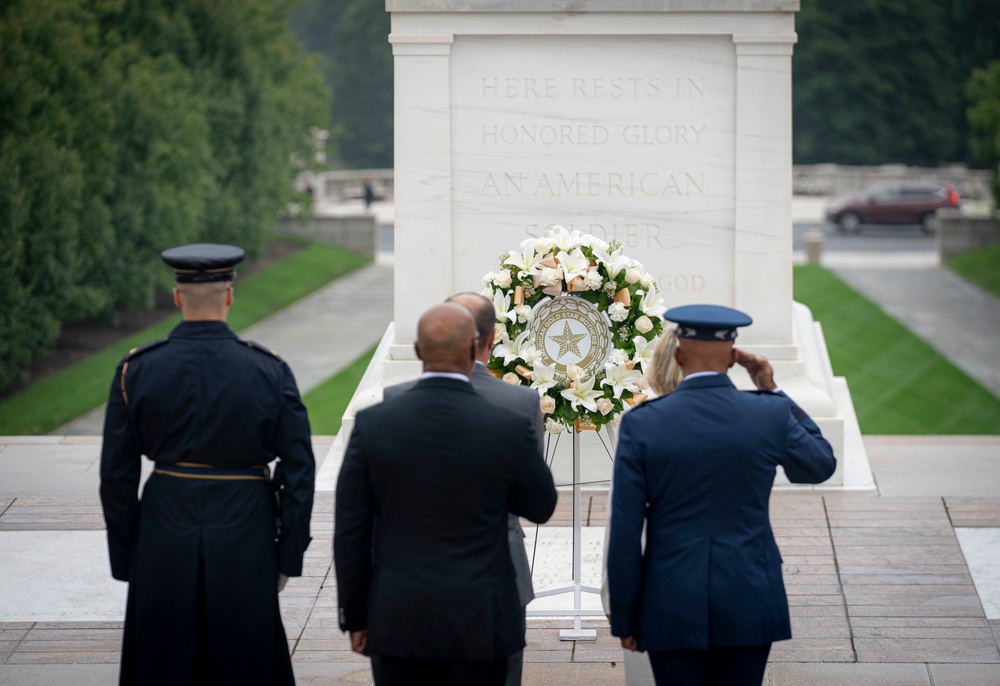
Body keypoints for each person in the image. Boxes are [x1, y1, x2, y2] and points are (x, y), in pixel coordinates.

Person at [99, 243, 316, 686]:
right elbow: (299, 470)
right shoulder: (269, 371)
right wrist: (287, 553)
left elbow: (115, 478)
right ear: (230, 296)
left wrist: (129, 557)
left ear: (177, 298)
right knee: (245, 658)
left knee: (161, 659)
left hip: (163, 526)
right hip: (244, 526)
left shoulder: (135, 370)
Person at [606, 304, 837, 686]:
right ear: (733, 358)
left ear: (678, 355)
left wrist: (627, 616)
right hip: (748, 595)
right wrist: (772, 389)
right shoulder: (769, 414)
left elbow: (626, 531)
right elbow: (819, 464)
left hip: (671, 597)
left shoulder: (643, 424)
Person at [334, 302, 557, 686]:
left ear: (419, 352)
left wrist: (355, 616)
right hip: (481, 616)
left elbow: (351, 532)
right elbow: (540, 506)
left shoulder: (374, 424)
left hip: (397, 615)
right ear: (475, 349)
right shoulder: (507, 425)